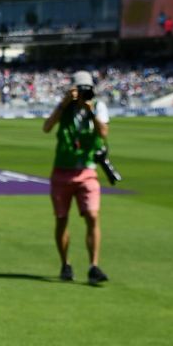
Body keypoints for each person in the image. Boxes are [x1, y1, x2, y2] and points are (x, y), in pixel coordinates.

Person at [44, 69, 109, 283]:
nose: (82, 93)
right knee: (61, 219)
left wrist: (90, 111)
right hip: (62, 170)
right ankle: (65, 264)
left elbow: (104, 133)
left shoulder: (98, 107)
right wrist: (64, 103)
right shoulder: (65, 108)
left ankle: (94, 266)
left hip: (87, 170)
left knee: (92, 215)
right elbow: (47, 127)